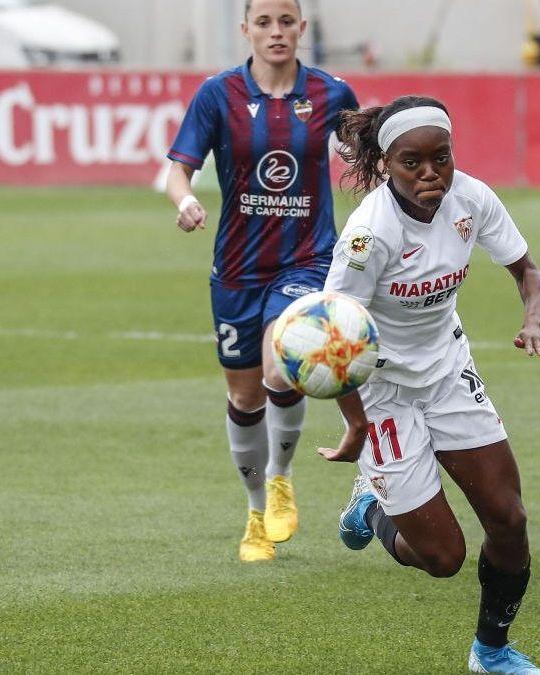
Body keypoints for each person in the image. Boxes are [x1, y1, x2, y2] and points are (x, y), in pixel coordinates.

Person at [318, 95, 540, 674]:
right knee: (443, 558)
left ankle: (491, 653)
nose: (431, 174)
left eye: (441, 158)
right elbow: (333, 336)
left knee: (510, 520)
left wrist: (533, 320)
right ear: (385, 163)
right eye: (412, 162)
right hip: (382, 391)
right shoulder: (368, 235)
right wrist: (357, 424)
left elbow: (527, 270)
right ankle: (370, 506)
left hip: (449, 371)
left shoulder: (470, 198)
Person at [165, 0, 358, 561]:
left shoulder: (331, 94)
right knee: (244, 396)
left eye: (287, 21)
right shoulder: (217, 94)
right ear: (245, 29)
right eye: (265, 23)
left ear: (302, 28)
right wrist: (184, 201)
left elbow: (365, 153)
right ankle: (255, 510)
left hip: (307, 259)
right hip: (237, 267)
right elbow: (179, 170)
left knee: (282, 366)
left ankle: (280, 477)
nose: (277, 32)